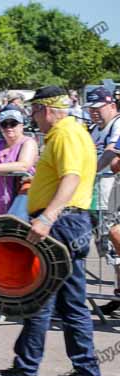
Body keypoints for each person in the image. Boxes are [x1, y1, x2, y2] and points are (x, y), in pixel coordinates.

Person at [0, 86, 103, 376]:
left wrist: (48, 216)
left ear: (48, 109)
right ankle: (85, 371)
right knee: (72, 302)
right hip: (70, 222)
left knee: (39, 297)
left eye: (35, 112)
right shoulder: (69, 133)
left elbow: (72, 177)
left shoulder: (66, 134)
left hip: (61, 224)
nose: (33, 118)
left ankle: (25, 372)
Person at [84, 86, 120, 316]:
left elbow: (112, 155)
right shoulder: (93, 129)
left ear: (111, 105)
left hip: (113, 195)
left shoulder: (117, 124)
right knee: (107, 248)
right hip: (97, 196)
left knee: (116, 243)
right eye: (91, 109)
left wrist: (86, 173)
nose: (94, 113)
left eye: (98, 108)